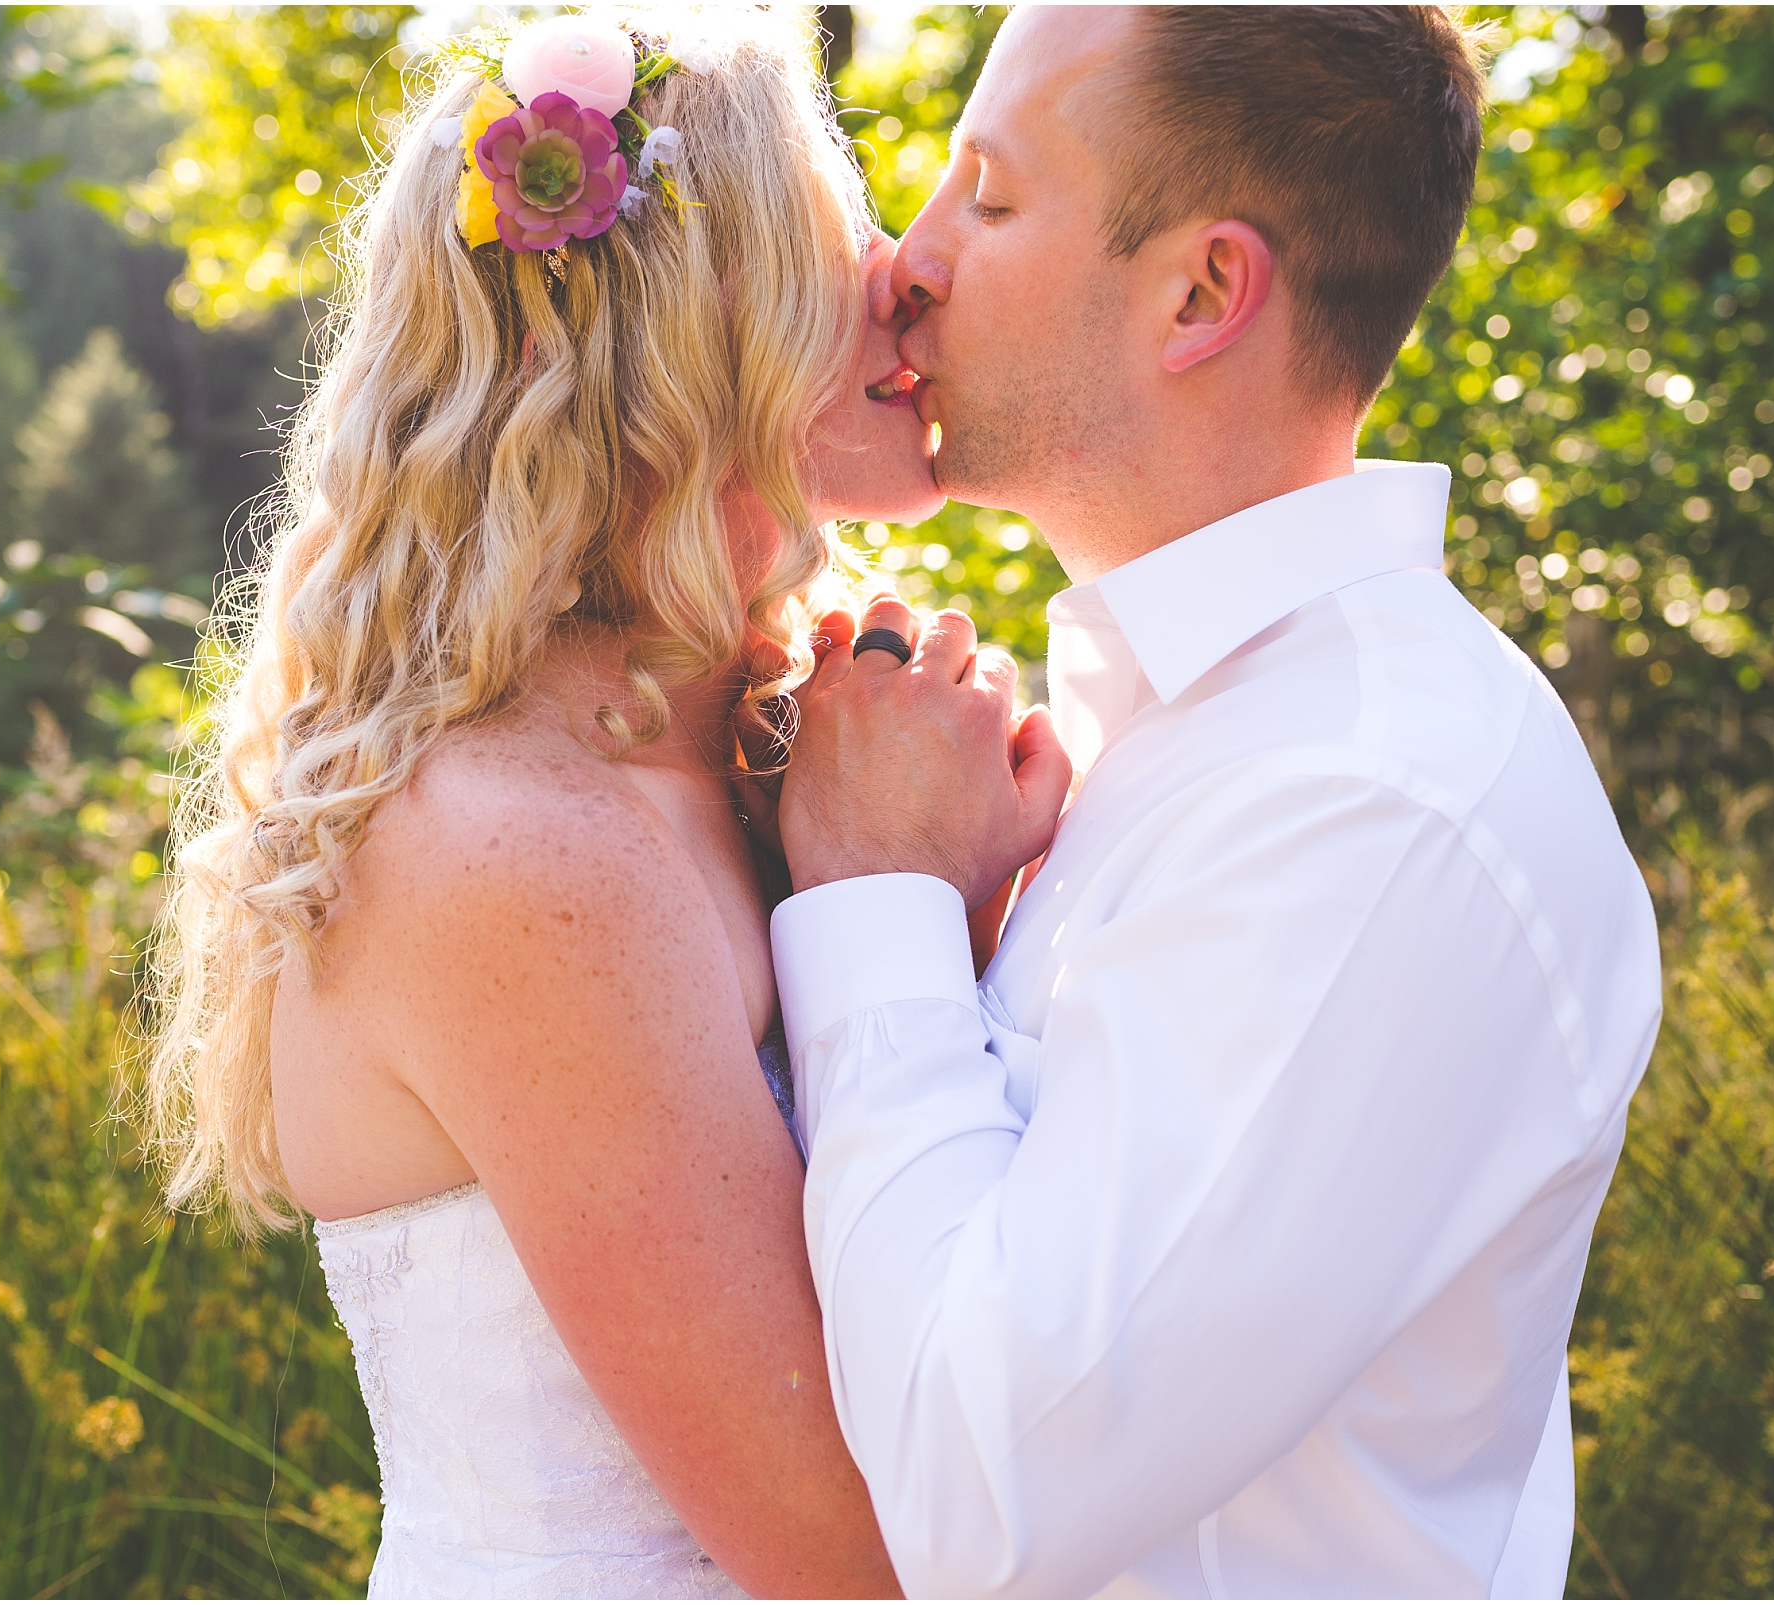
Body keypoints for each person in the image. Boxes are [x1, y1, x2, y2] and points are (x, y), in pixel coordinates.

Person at [758, 7, 1664, 1597]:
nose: (906, 263)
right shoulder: (1189, 737)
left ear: (1200, 292)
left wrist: (874, 901)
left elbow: (986, 1495)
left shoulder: (1370, 805)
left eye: (987, 191)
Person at [143, 10, 933, 1597]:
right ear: (690, 333)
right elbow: (849, 1539)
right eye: (840, 244)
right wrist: (903, 891)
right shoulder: (507, 843)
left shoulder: (762, 735)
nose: (908, 278)